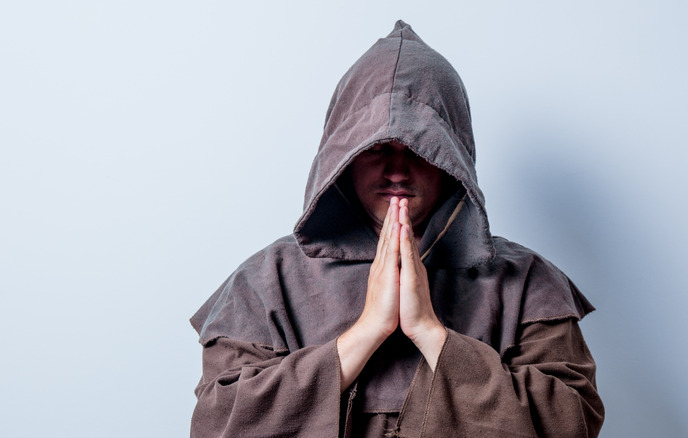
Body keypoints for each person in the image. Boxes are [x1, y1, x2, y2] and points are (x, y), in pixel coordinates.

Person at [190, 20, 604, 437]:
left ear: (451, 159)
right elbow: (218, 424)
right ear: (345, 157)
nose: (397, 171)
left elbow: (573, 424)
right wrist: (368, 330)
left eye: (419, 150)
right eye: (377, 150)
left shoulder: (526, 282)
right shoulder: (265, 282)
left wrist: (431, 333)